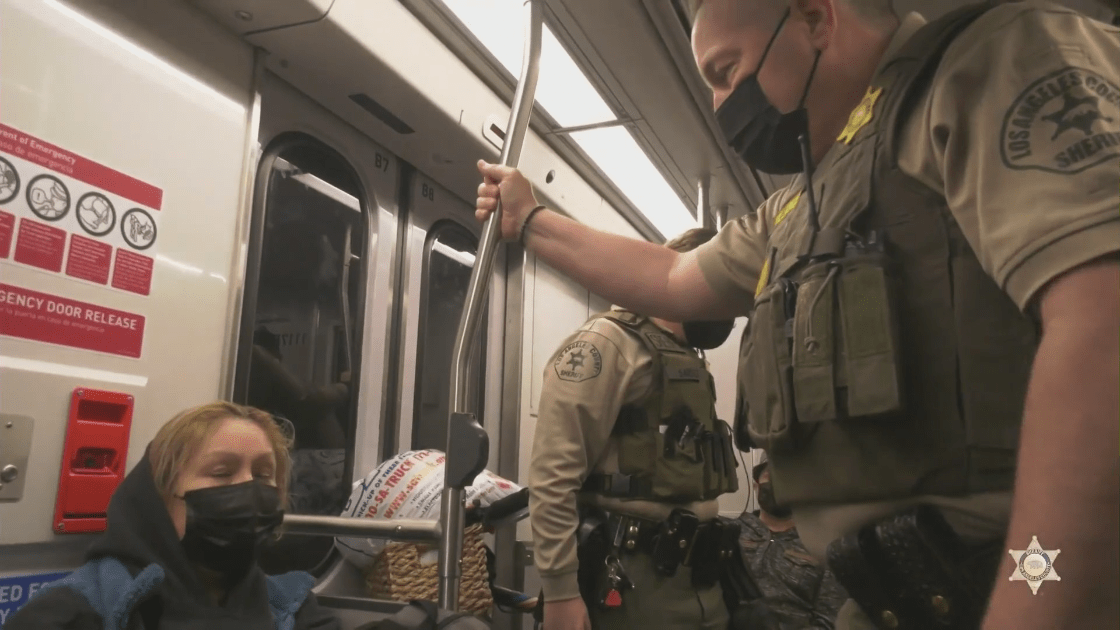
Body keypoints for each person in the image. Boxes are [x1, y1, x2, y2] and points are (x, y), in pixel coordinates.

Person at [474, 1, 1119, 629]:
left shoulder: (991, 64)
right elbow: (672, 277)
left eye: (726, 72)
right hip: (898, 593)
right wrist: (531, 221)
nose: (723, 106)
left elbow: (1103, 320)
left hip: (1030, 584)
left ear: (815, 18)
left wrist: (1038, 594)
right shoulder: (803, 202)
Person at [529, 227, 743, 630]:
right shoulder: (606, 344)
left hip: (701, 580)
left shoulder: (687, 358)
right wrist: (560, 592)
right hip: (633, 584)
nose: (728, 312)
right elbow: (553, 476)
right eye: (725, 294)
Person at [7, 401, 341, 630]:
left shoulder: (293, 610)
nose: (249, 488)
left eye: (263, 474)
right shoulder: (79, 612)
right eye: (222, 472)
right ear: (160, 495)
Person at [738, 454, 846, 629]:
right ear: (756, 485)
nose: (777, 485)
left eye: (786, 478)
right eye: (770, 475)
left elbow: (829, 620)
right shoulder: (732, 533)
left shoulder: (823, 545)